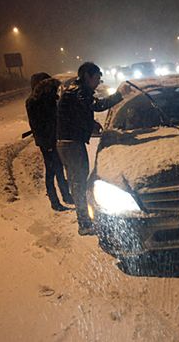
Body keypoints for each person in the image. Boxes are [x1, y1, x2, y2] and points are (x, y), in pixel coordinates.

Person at [56, 62, 128, 236]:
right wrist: (120, 95)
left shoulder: (73, 90)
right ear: (87, 76)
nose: (98, 82)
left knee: (76, 180)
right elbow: (98, 105)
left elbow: (78, 113)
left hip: (67, 142)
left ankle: (84, 219)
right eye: (97, 78)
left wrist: (90, 123)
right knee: (79, 182)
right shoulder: (79, 92)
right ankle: (84, 223)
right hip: (71, 144)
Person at [26, 72, 74, 211]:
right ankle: (54, 201)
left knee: (59, 168)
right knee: (51, 171)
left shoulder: (49, 97)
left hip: (54, 139)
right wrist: (46, 143)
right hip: (46, 142)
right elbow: (37, 125)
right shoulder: (33, 102)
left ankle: (66, 196)